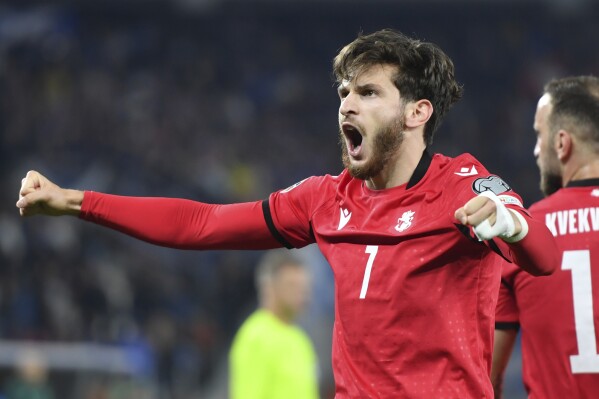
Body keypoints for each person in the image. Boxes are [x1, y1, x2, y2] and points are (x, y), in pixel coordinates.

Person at [16, 29, 558, 398]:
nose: (347, 103)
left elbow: (544, 258)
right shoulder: (326, 199)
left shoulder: (464, 181)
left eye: (369, 92)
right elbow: (201, 224)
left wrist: (512, 222)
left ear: (417, 112)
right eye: (344, 91)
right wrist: (76, 201)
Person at [492, 76, 599, 398]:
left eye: (539, 135)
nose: (536, 150)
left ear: (562, 143)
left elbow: (486, 378)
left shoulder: (522, 235)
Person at [229, 249, 319, 399]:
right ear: (269, 288)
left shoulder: (301, 339)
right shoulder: (256, 337)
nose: (302, 293)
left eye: (303, 286)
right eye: (292, 285)